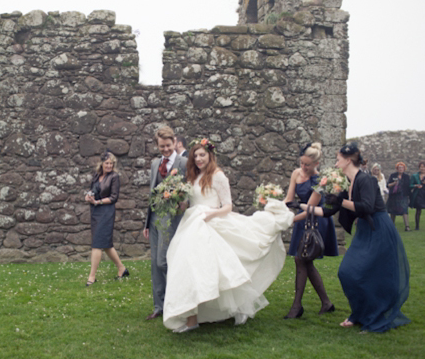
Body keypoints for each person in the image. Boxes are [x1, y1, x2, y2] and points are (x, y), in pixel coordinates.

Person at [163, 139, 294, 332]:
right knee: (187, 267)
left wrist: (210, 214)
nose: (198, 159)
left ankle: (218, 312)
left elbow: (228, 206)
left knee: (219, 270)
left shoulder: (217, 176)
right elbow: (189, 203)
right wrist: (176, 201)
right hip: (191, 223)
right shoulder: (193, 176)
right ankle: (191, 317)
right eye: (196, 155)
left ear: (210, 155)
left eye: (202, 155)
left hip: (210, 222)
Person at [305, 142, 410, 332]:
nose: (336, 164)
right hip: (364, 230)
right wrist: (302, 207)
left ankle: (372, 316)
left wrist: (341, 200)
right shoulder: (346, 184)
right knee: (347, 272)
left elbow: (367, 207)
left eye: (338, 160)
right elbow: (329, 211)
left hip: (378, 229)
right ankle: (359, 314)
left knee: (369, 274)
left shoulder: (366, 180)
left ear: (347, 160)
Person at [283, 143, 339, 319]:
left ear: (316, 163)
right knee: (304, 261)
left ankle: (297, 306)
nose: (303, 167)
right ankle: (326, 303)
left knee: (301, 259)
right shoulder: (296, 174)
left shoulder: (321, 181)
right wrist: (275, 211)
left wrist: (288, 220)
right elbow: (289, 199)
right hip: (302, 219)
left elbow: (310, 208)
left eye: (307, 164)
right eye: (302, 163)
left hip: (316, 220)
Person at [143, 126, 188, 320]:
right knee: (154, 264)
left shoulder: (184, 162)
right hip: (154, 219)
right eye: (161, 147)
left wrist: (185, 203)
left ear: (174, 142)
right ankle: (158, 306)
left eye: (168, 146)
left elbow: (191, 188)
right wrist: (146, 223)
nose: (165, 150)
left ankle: (177, 300)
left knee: (163, 262)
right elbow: (152, 193)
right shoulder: (155, 164)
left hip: (171, 218)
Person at [84, 151, 128, 286]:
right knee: (106, 244)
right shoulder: (97, 176)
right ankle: (122, 268)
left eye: (111, 163)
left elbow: (114, 197)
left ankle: (92, 276)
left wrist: (99, 202)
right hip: (95, 211)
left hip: (106, 211)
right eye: (107, 163)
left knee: (97, 243)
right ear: (102, 164)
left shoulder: (114, 177)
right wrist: (88, 197)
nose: (109, 165)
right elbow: (92, 190)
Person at [386, 161, 412, 231]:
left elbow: (408, 186)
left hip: (403, 196)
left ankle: (407, 226)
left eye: (402, 168)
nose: (400, 169)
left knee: (404, 211)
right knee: (392, 211)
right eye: (399, 168)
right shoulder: (393, 175)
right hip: (394, 196)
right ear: (397, 169)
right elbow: (388, 185)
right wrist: (394, 183)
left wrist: (409, 196)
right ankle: (391, 226)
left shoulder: (406, 177)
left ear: (404, 169)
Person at [410, 161, 425, 230]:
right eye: (421, 167)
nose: (422, 168)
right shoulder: (415, 176)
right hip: (419, 194)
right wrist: (416, 185)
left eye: (424, 167)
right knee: (418, 210)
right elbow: (410, 185)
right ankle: (417, 226)